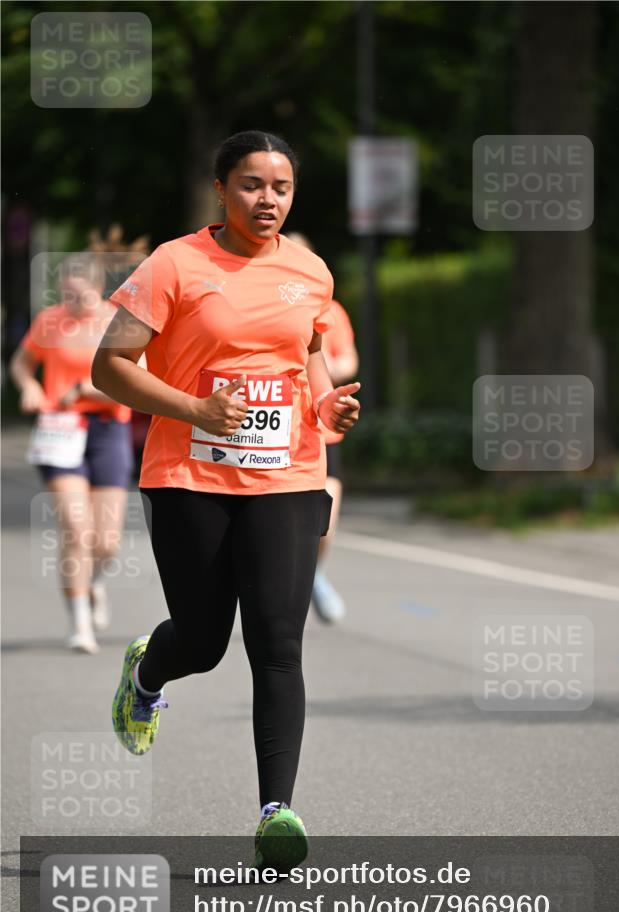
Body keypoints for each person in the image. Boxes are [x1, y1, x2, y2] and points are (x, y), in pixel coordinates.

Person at [92, 130, 361, 871]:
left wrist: (324, 405)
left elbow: (307, 352)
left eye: (279, 187)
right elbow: (109, 367)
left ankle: (276, 811)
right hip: (188, 476)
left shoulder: (309, 271)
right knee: (205, 642)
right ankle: (148, 672)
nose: (266, 199)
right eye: (250, 184)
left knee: (278, 643)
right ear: (220, 188)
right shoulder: (175, 263)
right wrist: (193, 409)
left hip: (288, 475)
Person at [10, 253, 134, 653]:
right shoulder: (50, 320)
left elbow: (138, 378)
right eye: (65, 293)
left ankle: (95, 581)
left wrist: (85, 390)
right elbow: (21, 364)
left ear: (98, 289)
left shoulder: (120, 320)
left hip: (108, 429)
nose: (71, 302)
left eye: (78, 295)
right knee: (77, 531)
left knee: (107, 541)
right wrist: (28, 386)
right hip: (60, 431)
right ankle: (80, 622)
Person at [286, 233, 359, 624]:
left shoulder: (330, 309)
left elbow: (347, 359)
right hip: (279, 434)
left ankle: (315, 576)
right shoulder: (259, 305)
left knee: (324, 521)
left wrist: (322, 374)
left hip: (322, 431)